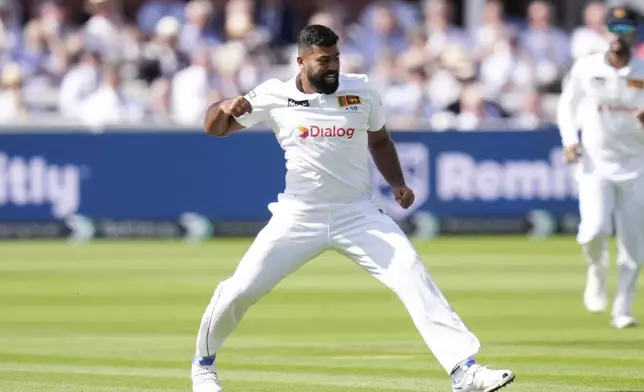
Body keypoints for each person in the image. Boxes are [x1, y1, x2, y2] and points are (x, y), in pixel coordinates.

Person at [191, 25, 516, 392]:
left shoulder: (360, 90)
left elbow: (379, 140)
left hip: (357, 213)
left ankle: (463, 370)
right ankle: (203, 366)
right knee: (240, 289)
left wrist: (397, 184)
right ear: (301, 61)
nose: (332, 67)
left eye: (336, 58)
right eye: (323, 60)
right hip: (299, 215)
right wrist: (221, 106)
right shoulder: (272, 94)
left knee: (411, 272)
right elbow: (214, 129)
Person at [557, 7, 644, 329]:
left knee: (633, 246)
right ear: (605, 31)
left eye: (625, 27)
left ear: (633, 32)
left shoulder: (642, 70)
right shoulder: (587, 67)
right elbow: (567, 106)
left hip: (637, 166)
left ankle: (623, 308)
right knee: (593, 231)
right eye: (613, 27)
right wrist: (569, 141)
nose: (618, 33)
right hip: (595, 163)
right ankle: (596, 271)